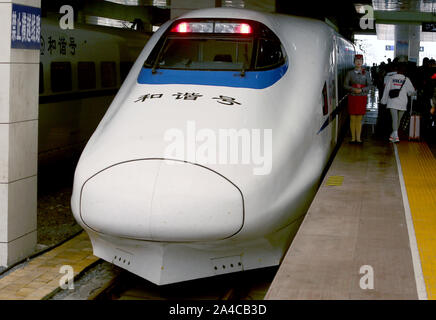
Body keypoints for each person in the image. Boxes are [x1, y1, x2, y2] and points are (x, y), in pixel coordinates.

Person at [381, 63, 416, 143]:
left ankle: (393, 135)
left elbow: (387, 89)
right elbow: (411, 92)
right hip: (402, 102)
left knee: (394, 119)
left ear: (397, 70)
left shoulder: (391, 78)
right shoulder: (406, 79)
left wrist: (384, 101)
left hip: (392, 101)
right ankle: (396, 136)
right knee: (398, 120)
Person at [344, 54, 372, 144]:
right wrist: (353, 89)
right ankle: (353, 138)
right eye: (357, 60)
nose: (358, 62)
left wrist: (362, 90)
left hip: (362, 97)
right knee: (352, 118)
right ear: (354, 62)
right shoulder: (350, 73)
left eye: (360, 61)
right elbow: (345, 85)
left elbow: (370, 85)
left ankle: (358, 138)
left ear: (363, 62)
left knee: (359, 118)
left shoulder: (366, 73)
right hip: (352, 97)